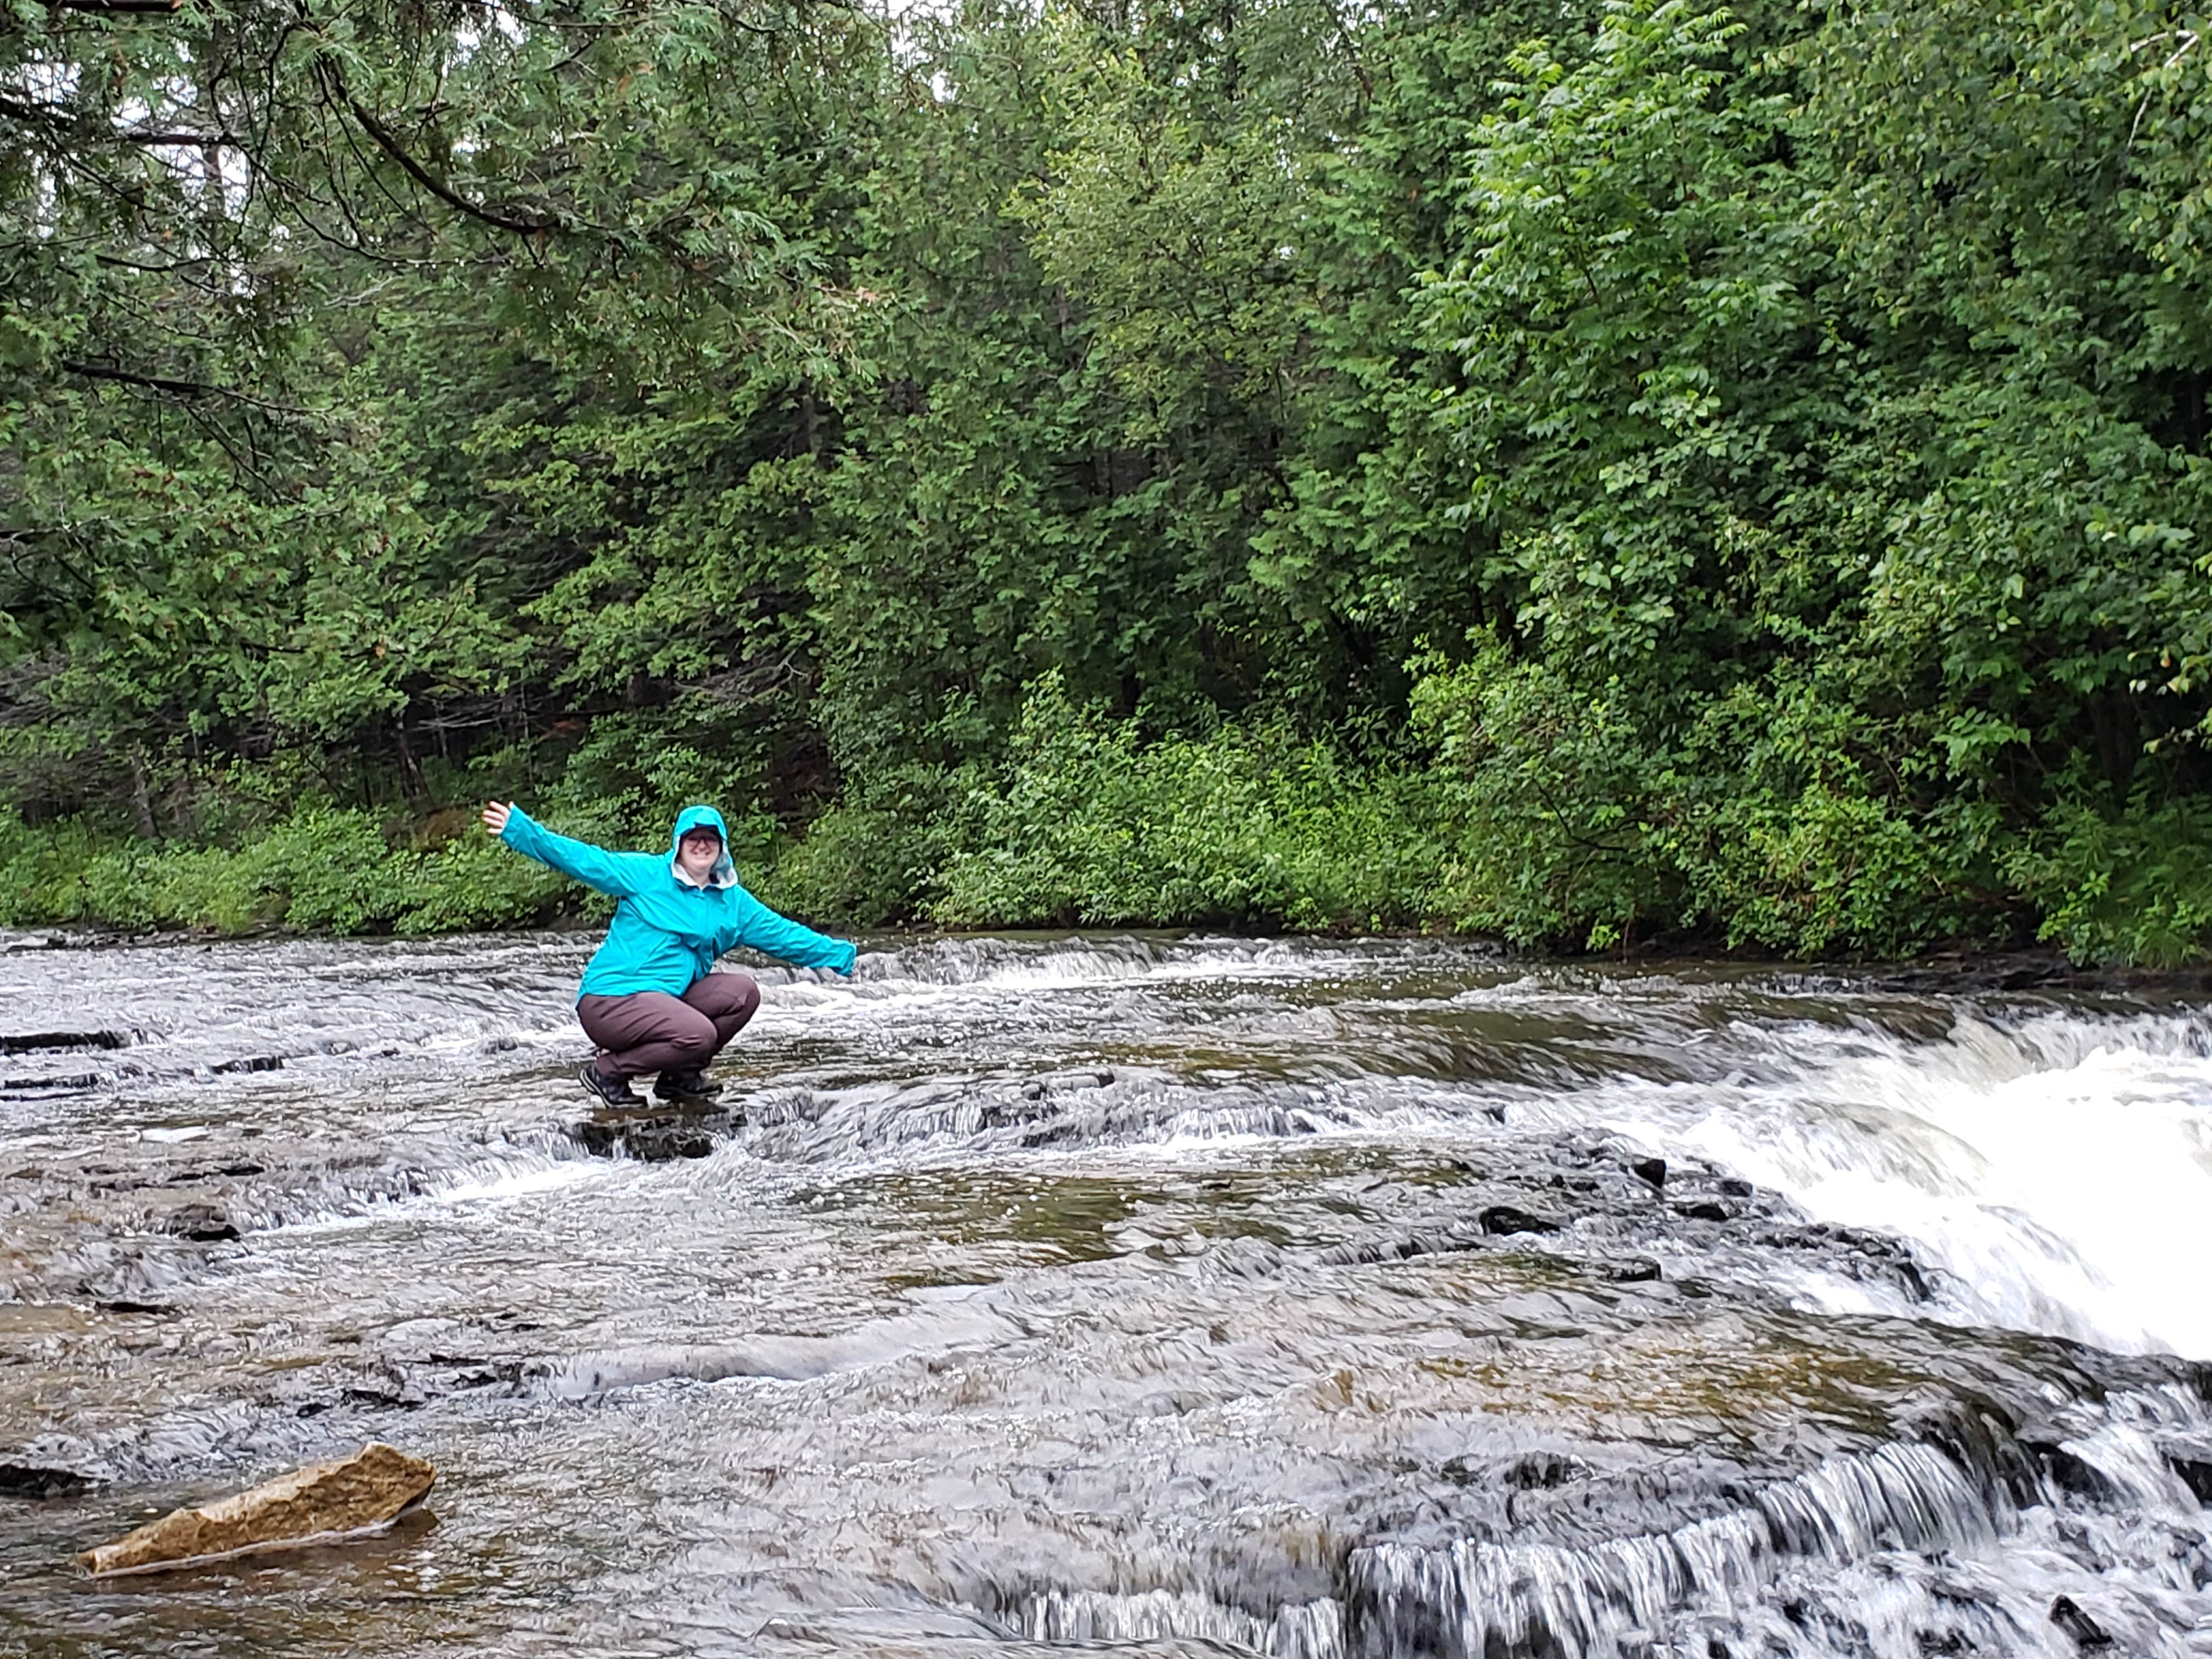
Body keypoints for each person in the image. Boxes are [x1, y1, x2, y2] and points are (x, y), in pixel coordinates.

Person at [480, 800, 856, 1105]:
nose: (701, 844)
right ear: (678, 843)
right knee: (697, 1033)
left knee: (744, 993)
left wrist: (840, 956)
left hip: (667, 1000)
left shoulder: (733, 902)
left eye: (711, 838)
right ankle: (609, 1071)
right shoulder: (646, 875)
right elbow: (583, 860)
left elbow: (783, 934)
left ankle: (679, 1078)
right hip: (611, 1000)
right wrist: (523, 831)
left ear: (722, 847)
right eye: (693, 837)